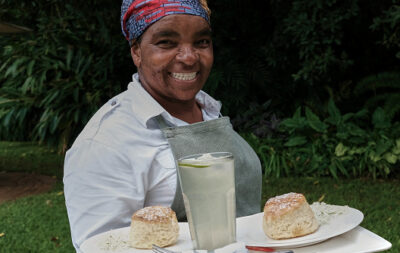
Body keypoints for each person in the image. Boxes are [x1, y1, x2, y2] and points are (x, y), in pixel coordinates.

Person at [63, 0, 262, 251]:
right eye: (167, 42)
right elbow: (104, 247)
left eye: (201, 42)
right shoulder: (106, 144)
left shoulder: (209, 111)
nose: (189, 58)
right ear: (136, 51)